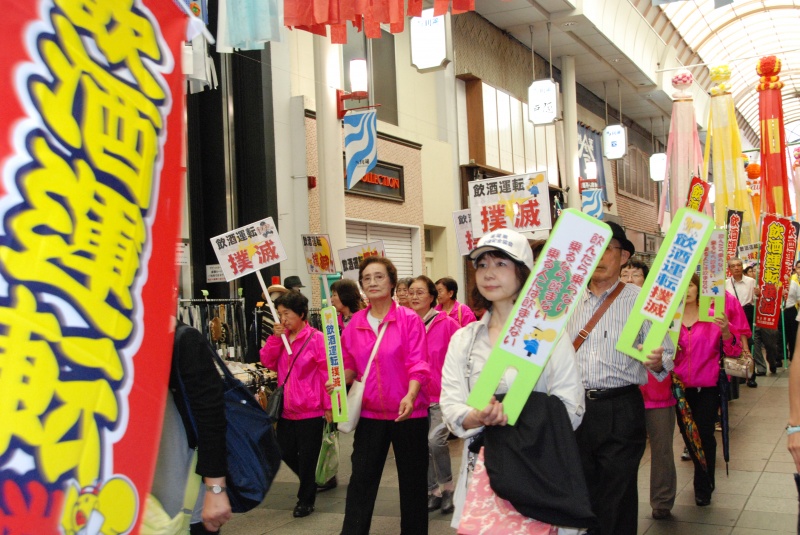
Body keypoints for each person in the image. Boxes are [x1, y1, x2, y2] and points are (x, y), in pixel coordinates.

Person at [440, 229, 586, 533]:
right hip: (482, 475)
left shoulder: (550, 336)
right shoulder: (464, 339)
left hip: (537, 474)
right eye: (481, 265)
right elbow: (451, 407)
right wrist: (477, 417)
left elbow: (572, 408)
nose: (488, 273)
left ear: (523, 273)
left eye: (501, 264)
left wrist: (514, 414)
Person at [565, 221, 672, 535]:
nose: (597, 255)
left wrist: (655, 360)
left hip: (620, 407)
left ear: (624, 256)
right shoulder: (564, 300)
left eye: (606, 248)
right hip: (573, 406)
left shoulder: (643, 300)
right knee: (581, 492)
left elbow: (665, 355)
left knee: (618, 495)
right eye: (591, 248)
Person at [337, 257, 430, 535]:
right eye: (367, 278)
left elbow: (419, 363)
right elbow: (350, 364)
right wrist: (338, 382)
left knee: (412, 484)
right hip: (369, 414)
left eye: (379, 277)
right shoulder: (354, 323)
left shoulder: (409, 319)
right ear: (361, 285)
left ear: (391, 282)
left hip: (409, 414)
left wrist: (411, 394)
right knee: (361, 481)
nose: (373, 282)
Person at [150, 321, 231, 534]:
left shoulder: (181, 339)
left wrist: (216, 489)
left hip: (183, 499)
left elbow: (211, 416)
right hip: (126, 500)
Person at [673, 274, 747, 507]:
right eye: (682, 285)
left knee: (704, 434)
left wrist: (726, 332)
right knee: (687, 435)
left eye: (691, 285)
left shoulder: (713, 316)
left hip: (708, 386)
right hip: (679, 389)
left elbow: (734, 351)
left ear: (699, 289)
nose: (687, 290)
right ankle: (703, 471)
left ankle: (703, 485)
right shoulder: (670, 319)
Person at [260, 291, 331, 518]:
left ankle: (305, 500)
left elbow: (325, 373)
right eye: (280, 314)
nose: (283, 319)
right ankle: (312, 479)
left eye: (287, 314)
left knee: (308, 456)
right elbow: (267, 361)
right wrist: (274, 338)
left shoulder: (316, 338)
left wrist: (328, 406)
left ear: (301, 314)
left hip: (310, 408)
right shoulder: (280, 338)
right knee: (284, 450)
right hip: (286, 409)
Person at [622, 261, 678, 520]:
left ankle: (662, 500)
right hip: (623, 392)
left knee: (661, 448)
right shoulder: (606, 305)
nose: (630, 278)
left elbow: (668, 353)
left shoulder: (656, 306)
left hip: (656, 389)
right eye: (625, 273)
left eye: (636, 274)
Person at [407, 275, 460, 515]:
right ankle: (432, 491)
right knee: (421, 446)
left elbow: (461, 352)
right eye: (411, 292)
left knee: (435, 442)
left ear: (432, 297)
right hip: (415, 397)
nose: (414, 296)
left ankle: (448, 489)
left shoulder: (446, 323)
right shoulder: (405, 324)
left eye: (420, 292)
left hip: (440, 395)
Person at [726, 258, 760, 386]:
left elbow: (756, 299)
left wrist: (758, 293)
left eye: (739, 265)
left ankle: (751, 375)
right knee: (735, 345)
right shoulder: (726, 283)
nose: (736, 268)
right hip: (732, 317)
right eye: (733, 266)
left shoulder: (751, 282)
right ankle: (739, 374)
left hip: (746, 314)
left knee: (749, 345)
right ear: (729, 269)